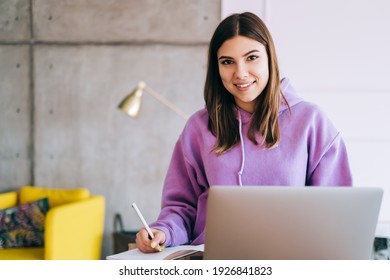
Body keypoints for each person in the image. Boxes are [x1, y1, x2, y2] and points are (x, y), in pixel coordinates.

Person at [135, 12, 353, 253]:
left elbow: (336, 214)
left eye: (252, 58)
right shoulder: (198, 128)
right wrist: (163, 231)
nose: (240, 73)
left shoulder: (312, 122)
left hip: (291, 259)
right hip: (217, 261)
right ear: (216, 67)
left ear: (270, 58)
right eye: (227, 62)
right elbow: (181, 208)